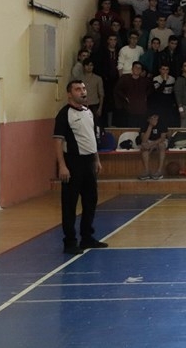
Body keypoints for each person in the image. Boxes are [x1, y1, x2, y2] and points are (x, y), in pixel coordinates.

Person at [54, 80, 107, 255]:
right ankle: (70, 242)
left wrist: (96, 159)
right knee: (69, 204)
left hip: (88, 162)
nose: (83, 92)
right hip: (72, 162)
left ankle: (87, 237)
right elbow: (58, 141)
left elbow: (90, 137)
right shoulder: (64, 114)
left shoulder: (88, 112)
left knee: (90, 201)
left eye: (84, 88)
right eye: (78, 89)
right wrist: (62, 165)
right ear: (69, 94)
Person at [138, 112, 168, 180]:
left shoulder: (162, 122)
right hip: (149, 140)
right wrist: (150, 126)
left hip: (159, 141)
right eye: (152, 118)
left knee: (161, 146)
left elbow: (162, 138)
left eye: (155, 117)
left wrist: (152, 144)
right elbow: (144, 139)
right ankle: (147, 171)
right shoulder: (144, 123)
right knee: (144, 146)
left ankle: (159, 171)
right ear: (148, 119)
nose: (154, 119)